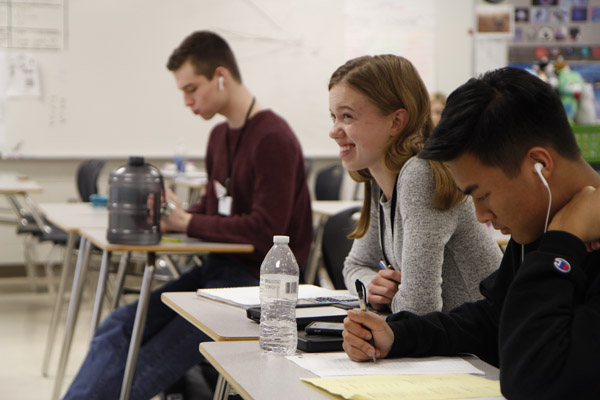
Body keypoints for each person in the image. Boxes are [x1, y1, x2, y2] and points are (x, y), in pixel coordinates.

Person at [64, 31, 313, 399]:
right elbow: (216, 211)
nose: (187, 101)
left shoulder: (272, 137)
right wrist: (178, 214)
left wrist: (189, 223)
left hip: (257, 287)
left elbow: (266, 231)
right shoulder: (219, 137)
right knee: (118, 326)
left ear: (221, 76)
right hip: (218, 270)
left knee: (152, 357)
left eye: (192, 89)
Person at [341, 67, 600, 399]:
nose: (481, 216)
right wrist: (398, 335)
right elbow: (494, 319)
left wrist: (561, 245)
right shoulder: (541, 222)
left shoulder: (559, 234)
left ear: (540, 165)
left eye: (483, 195)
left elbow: (533, 380)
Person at [329, 55, 502, 315]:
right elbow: (355, 265)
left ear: (396, 121)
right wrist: (372, 287)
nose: (334, 130)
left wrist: (394, 300)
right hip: (447, 346)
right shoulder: (380, 178)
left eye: (347, 116)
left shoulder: (420, 175)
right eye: (333, 117)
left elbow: (419, 310)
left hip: (480, 351)